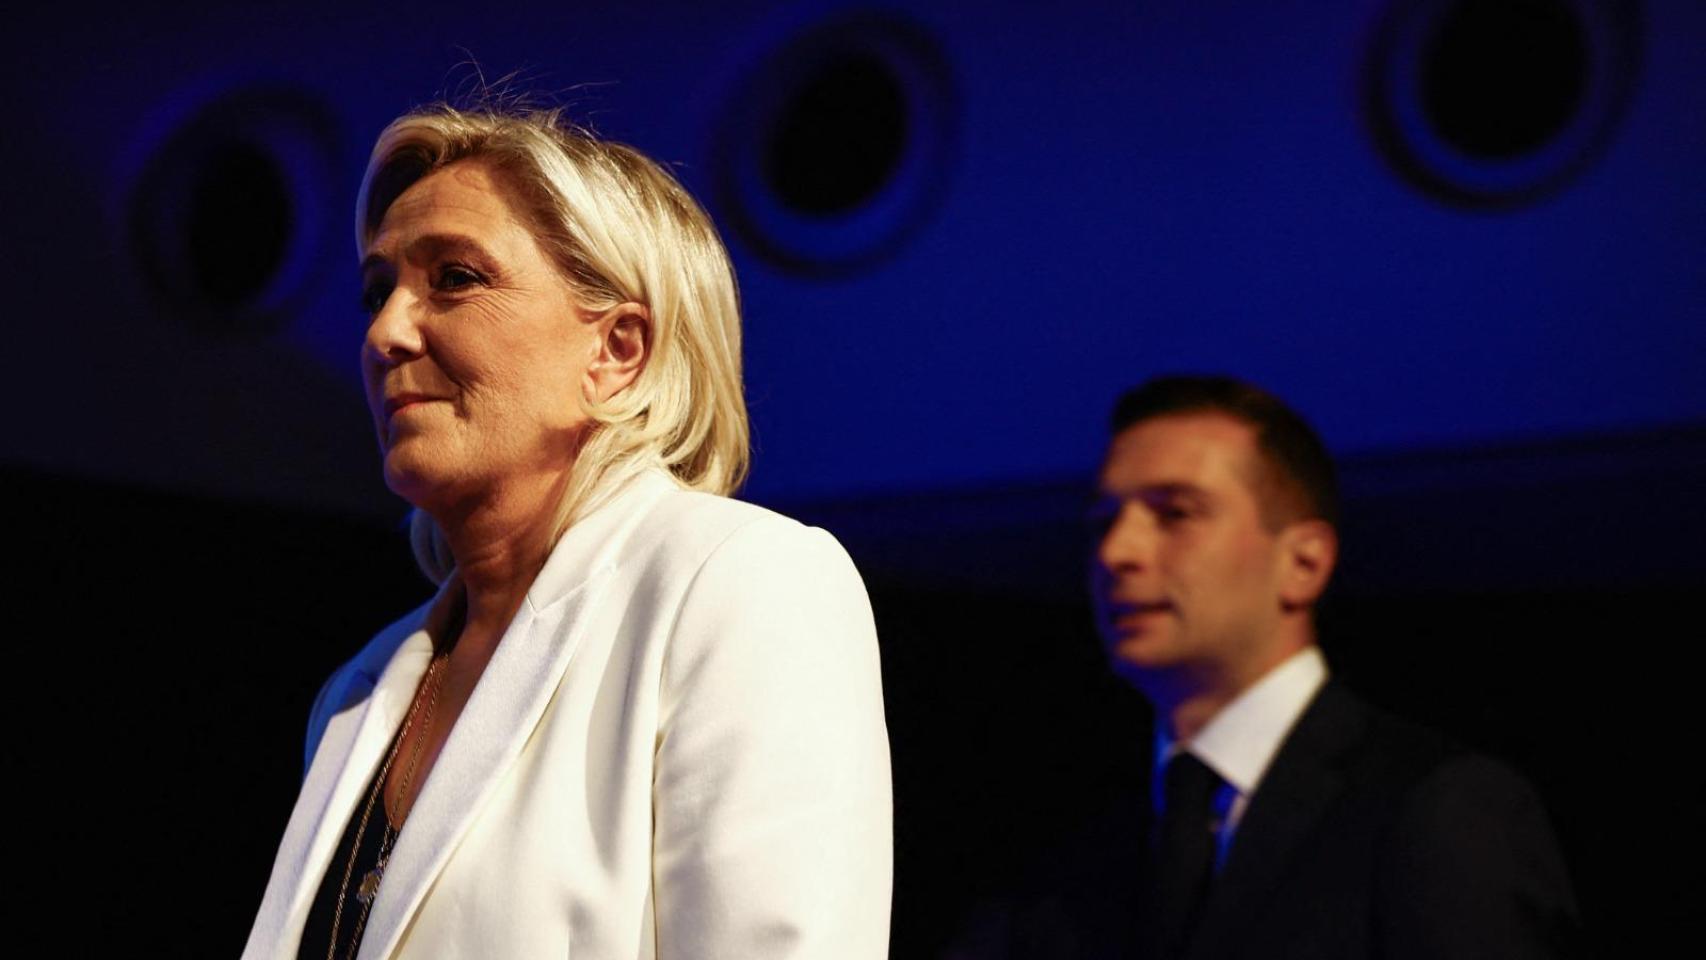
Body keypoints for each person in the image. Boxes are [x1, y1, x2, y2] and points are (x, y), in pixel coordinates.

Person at [241, 101, 892, 960]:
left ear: (618, 352)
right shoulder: (359, 688)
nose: (385, 333)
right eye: (376, 292)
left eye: (455, 278)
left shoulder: (744, 581)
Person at [959, 374, 1579, 959]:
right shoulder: (1079, 854)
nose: (1117, 552)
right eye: (1103, 522)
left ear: (1303, 564)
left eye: (1175, 513)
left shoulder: (1438, 807)